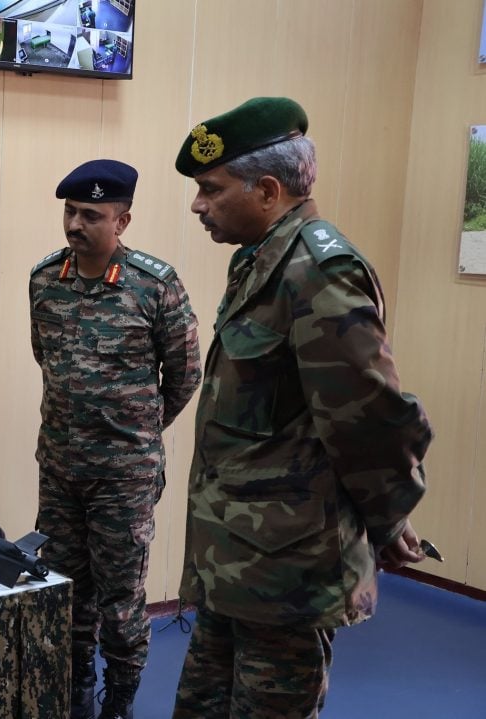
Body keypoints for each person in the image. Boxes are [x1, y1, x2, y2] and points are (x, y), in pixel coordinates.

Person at [171, 96, 434, 717]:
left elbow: (370, 419)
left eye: (211, 189)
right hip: (235, 560)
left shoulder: (317, 271)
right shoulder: (260, 261)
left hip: (286, 572)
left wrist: (390, 519)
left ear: (267, 189)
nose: (197, 205)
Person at [29, 160, 202, 719]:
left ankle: (119, 701)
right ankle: (75, 687)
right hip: (59, 466)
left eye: (91, 215)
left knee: (121, 598)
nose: (75, 225)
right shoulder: (43, 280)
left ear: (122, 220)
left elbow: (183, 377)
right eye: (70, 212)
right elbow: (47, 360)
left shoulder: (155, 286)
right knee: (63, 585)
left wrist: (135, 433)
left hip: (123, 475)